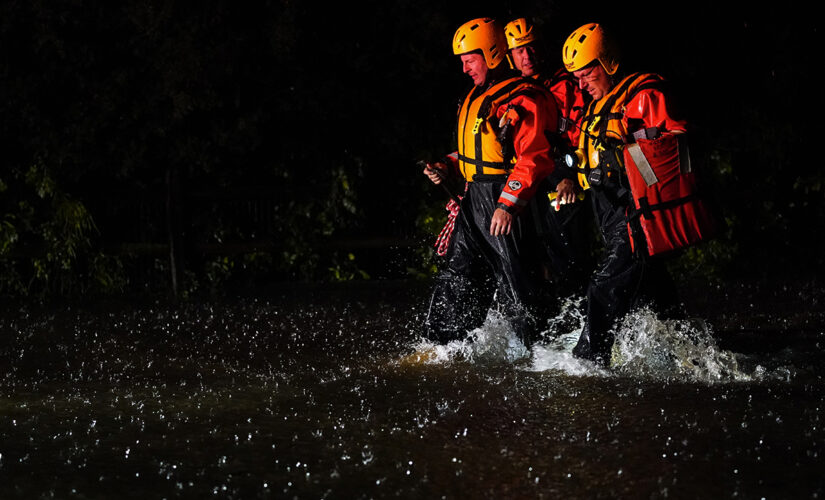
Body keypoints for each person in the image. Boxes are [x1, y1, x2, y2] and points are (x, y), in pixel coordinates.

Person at [560, 23, 716, 364]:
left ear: (608, 63)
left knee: (603, 287)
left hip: (637, 211)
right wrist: (568, 178)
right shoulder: (597, 106)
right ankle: (695, 360)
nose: (582, 84)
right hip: (610, 212)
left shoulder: (644, 94)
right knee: (655, 297)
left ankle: (586, 365)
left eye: (587, 74)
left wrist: (626, 155)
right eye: (577, 78)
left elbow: (678, 142)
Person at [421, 17, 559, 347]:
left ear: (492, 54)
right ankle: (443, 345)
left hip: (507, 201)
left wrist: (509, 204)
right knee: (459, 273)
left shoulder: (524, 97)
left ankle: (541, 353)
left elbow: (533, 156)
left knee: (519, 283)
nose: (465, 69)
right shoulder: (476, 97)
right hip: (475, 199)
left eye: (470, 61)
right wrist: (445, 166)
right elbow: (476, 154)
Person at [504, 17, 594, 294]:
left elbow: (580, 137)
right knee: (526, 260)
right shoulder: (508, 92)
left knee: (568, 256)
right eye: (519, 50)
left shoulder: (566, 86)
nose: (527, 56)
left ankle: (579, 319)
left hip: (561, 174)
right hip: (525, 180)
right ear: (509, 57)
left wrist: (568, 177)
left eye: (531, 47)